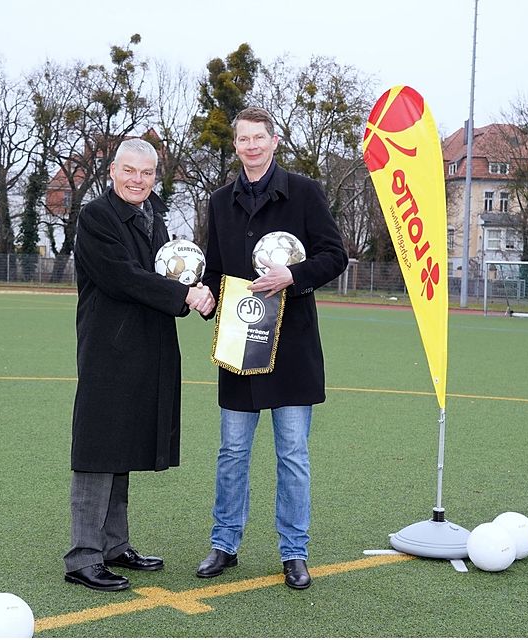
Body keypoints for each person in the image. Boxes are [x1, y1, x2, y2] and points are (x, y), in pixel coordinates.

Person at [197, 107, 348, 590]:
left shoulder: (303, 191)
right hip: (240, 342)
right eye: (243, 139)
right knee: (232, 451)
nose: (252, 146)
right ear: (236, 145)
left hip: (293, 347)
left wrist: (294, 277)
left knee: (293, 454)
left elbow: (334, 255)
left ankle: (294, 552)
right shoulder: (220, 202)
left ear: (275, 140)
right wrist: (202, 296)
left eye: (260, 137)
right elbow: (216, 271)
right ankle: (224, 544)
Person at [64, 138, 215, 592]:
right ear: (112, 171)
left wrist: (200, 290)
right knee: (97, 448)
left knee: (124, 444)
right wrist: (183, 295)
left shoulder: (155, 217)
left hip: (147, 346)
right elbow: (122, 276)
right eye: (129, 170)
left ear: (155, 177)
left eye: (146, 173)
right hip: (109, 349)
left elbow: (167, 272)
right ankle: (83, 556)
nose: (137, 180)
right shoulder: (95, 217)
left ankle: (114, 546)